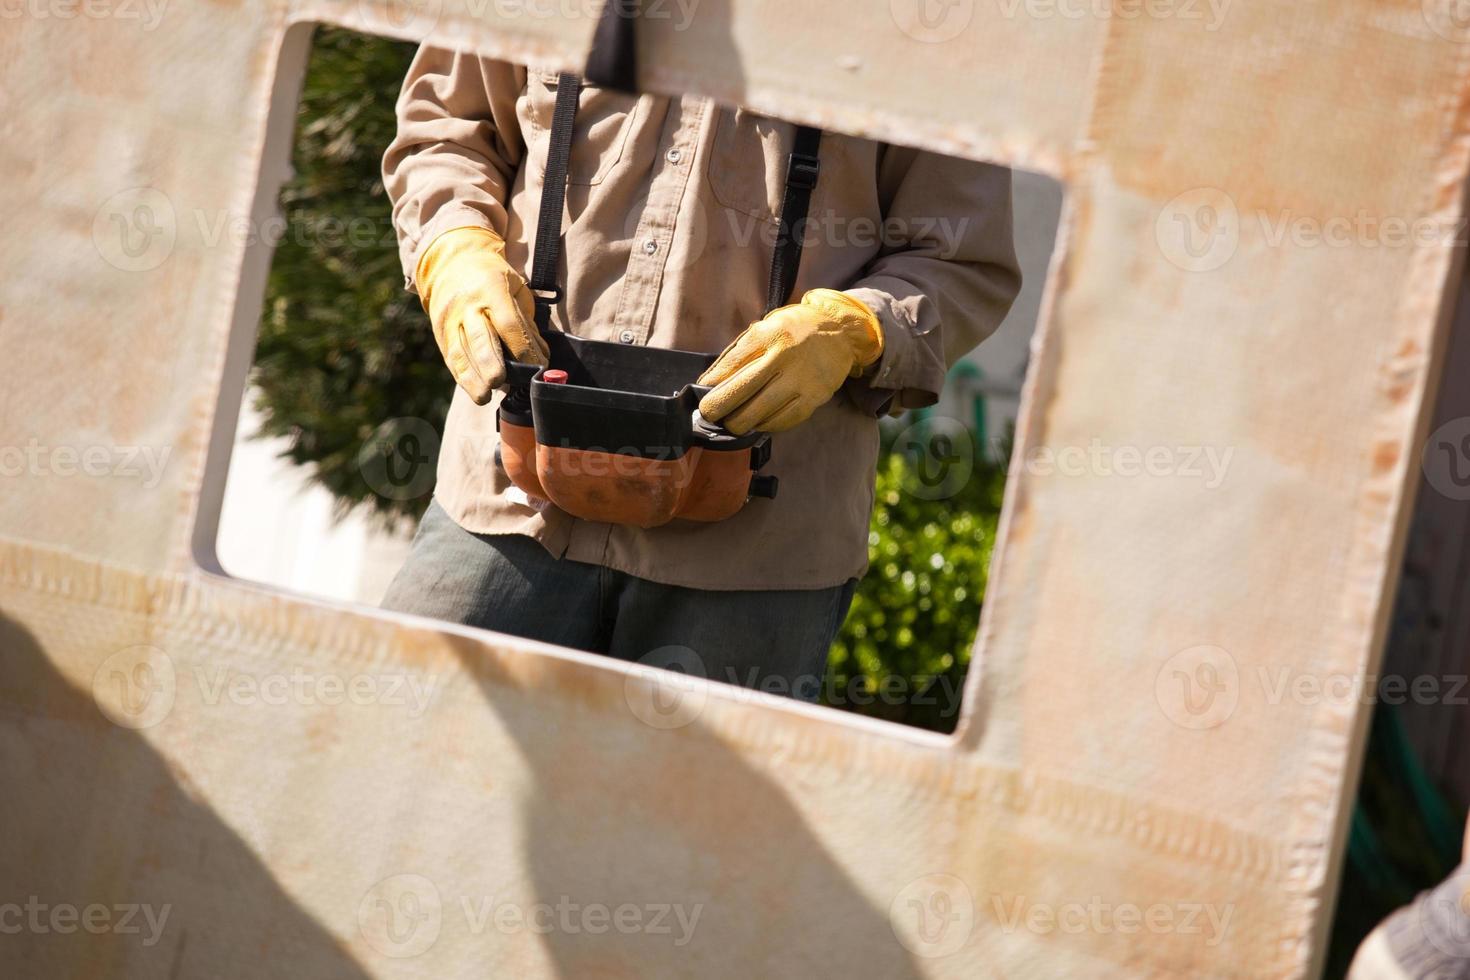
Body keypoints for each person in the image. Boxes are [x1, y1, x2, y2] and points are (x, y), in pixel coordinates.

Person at [379, 47, 1021, 701]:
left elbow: (961, 259)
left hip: (757, 561)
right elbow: (445, 129)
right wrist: (451, 247)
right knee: (410, 773)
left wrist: (855, 328)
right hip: (505, 504)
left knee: (692, 807)